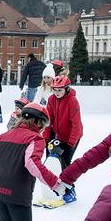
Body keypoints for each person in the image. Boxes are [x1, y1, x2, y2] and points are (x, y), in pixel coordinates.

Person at [42, 75, 83, 206]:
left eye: (60, 90)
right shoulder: (51, 99)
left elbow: (76, 124)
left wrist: (70, 144)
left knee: (65, 164)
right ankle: (55, 188)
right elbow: (49, 121)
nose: (57, 92)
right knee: (52, 161)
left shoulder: (72, 101)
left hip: (73, 136)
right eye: (54, 89)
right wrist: (46, 139)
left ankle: (71, 191)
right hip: (59, 136)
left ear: (66, 89)